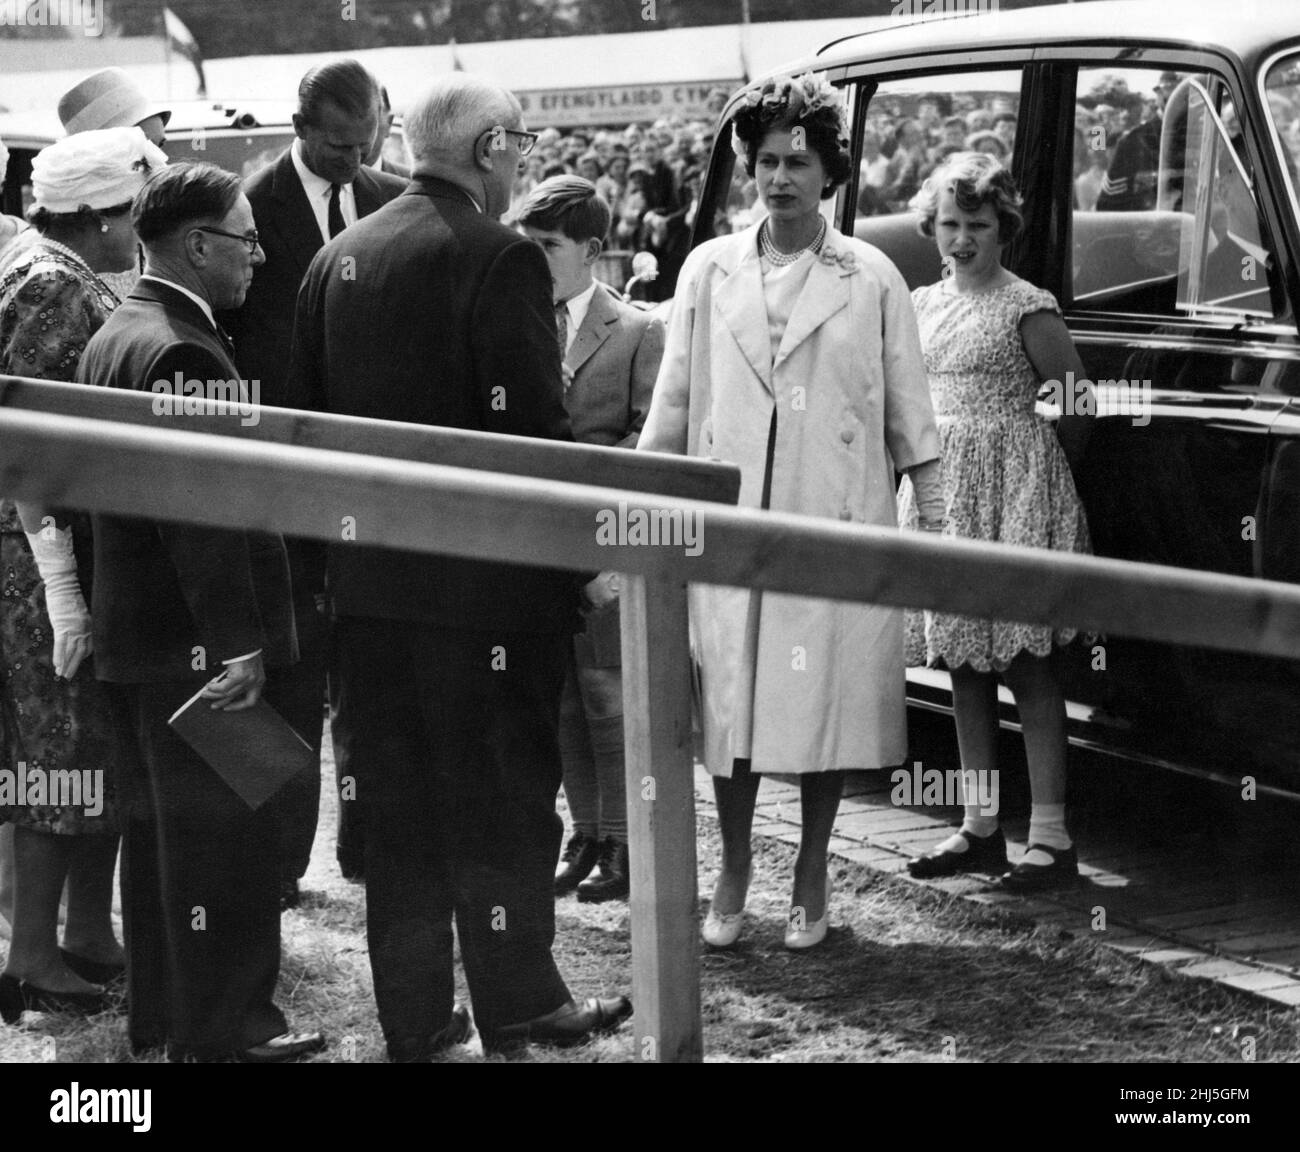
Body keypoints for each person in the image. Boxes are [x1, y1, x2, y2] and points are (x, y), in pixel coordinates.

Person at [289, 72, 632, 1060]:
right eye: (519, 144)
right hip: (488, 603)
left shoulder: (335, 261)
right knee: (504, 811)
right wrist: (579, 571)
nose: (523, 160)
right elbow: (535, 435)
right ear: (489, 150)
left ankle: (420, 1023)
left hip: (369, 602)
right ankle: (520, 1004)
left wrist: (331, 584)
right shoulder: (503, 260)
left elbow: (307, 440)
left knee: (394, 821)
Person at [637, 73, 943, 952]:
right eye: (766, 161)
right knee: (729, 702)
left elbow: (913, 423)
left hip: (834, 519)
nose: (780, 180)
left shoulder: (873, 275)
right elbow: (671, 409)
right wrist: (633, 512)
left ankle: (812, 867)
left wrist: (935, 536)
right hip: (731, 525)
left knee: (823, 703)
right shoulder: (707, 267)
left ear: (831, 173)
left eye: (798, 163)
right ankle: (735, 863)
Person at [77, 160, 324, 1062]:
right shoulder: (180, 346)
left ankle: (165, 1019)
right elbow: (202, 515)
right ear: (197, 244)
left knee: (159, 848)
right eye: (247, 238)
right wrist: (237, 646)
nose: (258, 256)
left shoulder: (120, 330)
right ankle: (228, 1031)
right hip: (192, 644)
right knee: (223, 845)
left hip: (142, 637)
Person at [224, 60, 407, 903]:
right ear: (300, 128)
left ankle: (369, 846)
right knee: (292, 681)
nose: (350, 157)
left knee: (371, 679)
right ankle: (280, 860)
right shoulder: (246, 211)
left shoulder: (394, 198)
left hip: (371, 486)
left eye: (363, 141)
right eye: (335, 146)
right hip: (285, 485)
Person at [0, 127, 166, 1025]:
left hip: (40, 546)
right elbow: (38, 451)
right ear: (100, 215)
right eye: (132, 216)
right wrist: (62, 585)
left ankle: (85, 934)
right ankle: (32, 954)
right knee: (56, 756)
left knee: (83, 747)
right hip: (36, 556)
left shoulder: (42, 265)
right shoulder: (57, 284)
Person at [899, 153, 1091, 891]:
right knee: (962, 662)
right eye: (950, 223)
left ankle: (1049, 838)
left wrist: (1037, 477)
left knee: (1026, 661)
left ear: (1001, 225)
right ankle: (980, 825)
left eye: (977, 223)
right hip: (946, 489)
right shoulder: (922, 303)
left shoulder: (1025, 304)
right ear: (933, 226)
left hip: (1013, 489)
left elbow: (1075, 401)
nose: (962, 237)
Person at [514, 176, 665, 904]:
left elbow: (651, 433)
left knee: (608, 693)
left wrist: (596, 493)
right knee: (565, 698)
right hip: (544, 537)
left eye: (546, 246)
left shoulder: (635, 329)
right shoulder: (516, 322)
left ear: (593, 251)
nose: (531, 258)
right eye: (525, 244)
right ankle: (586, 831)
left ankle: (625, 842)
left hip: (608, 533)